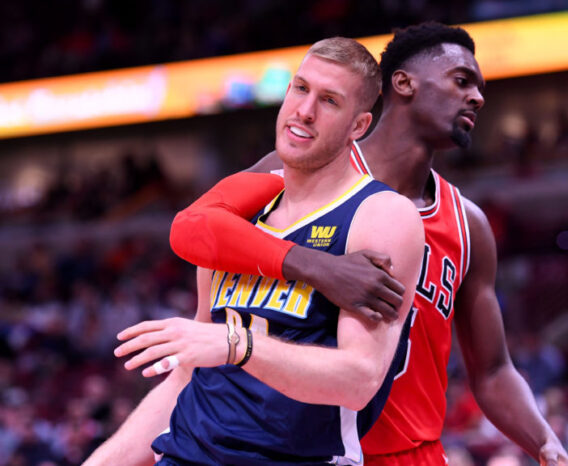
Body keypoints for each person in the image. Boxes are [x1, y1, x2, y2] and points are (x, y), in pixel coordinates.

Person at [84, 37, 424, 465]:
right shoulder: (238, 215)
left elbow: (358, 381)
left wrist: (236, 344)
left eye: (329, 101)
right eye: (300, 89)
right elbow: (188, 373)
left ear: (358, 126)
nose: (304, 110)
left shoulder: (380, 215)